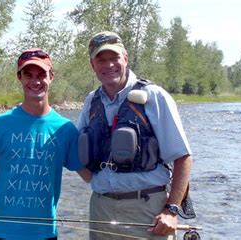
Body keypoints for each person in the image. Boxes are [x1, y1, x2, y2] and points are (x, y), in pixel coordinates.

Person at [0, 48, 91, 240]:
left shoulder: (65, 129)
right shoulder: (0, 124)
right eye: (28, 75)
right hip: (1, 233)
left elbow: (88, 176)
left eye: (41, 75)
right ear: (19, 77)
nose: (35, 81)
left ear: (51, 76)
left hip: (44, 234)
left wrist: (132, 197)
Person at [77, 31, 193, 239]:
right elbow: (76, 153)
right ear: (92, 65)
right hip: (101, 209)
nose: (109, 65)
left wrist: (172, 210)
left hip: (148, 211)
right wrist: (96, 181)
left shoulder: (155, 96)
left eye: (114, 58)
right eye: (101, 60)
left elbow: (183, 157)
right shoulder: (91, 101)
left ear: (126, 58)